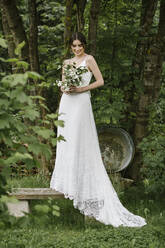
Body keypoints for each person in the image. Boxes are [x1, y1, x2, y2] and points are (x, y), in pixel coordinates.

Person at [50, 32, 146, 227]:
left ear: (84, 45)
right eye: (74, 46)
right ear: (70, 46)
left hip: (81, 101)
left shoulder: (89, 59)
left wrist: (81, 89)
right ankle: (67, 181)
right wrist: (65, 88)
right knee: (66, 138)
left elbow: (100, 81)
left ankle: (83, 184)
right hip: (68, 102)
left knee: (79, 139)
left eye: (80, 45)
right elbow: (62, 83)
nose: (77, 49)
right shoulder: (67, 63)